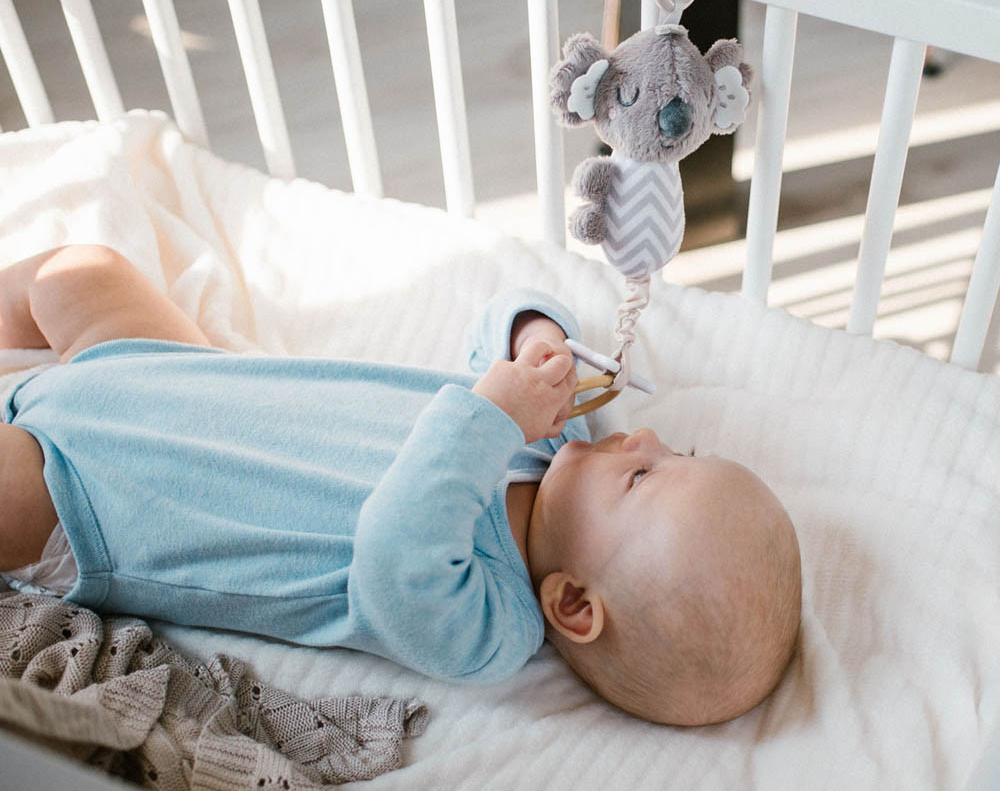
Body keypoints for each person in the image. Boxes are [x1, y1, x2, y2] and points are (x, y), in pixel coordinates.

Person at [0, 244, 801, 726]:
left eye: (645, 476)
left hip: (91, 504)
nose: (645, 438)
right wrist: (538, 340)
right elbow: (493, 330)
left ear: (573, 605)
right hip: (166, 373)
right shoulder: (555, 439)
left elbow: (394, 552)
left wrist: (498, 414)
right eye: (678, 449)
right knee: (76, 272)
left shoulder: (488, 622)